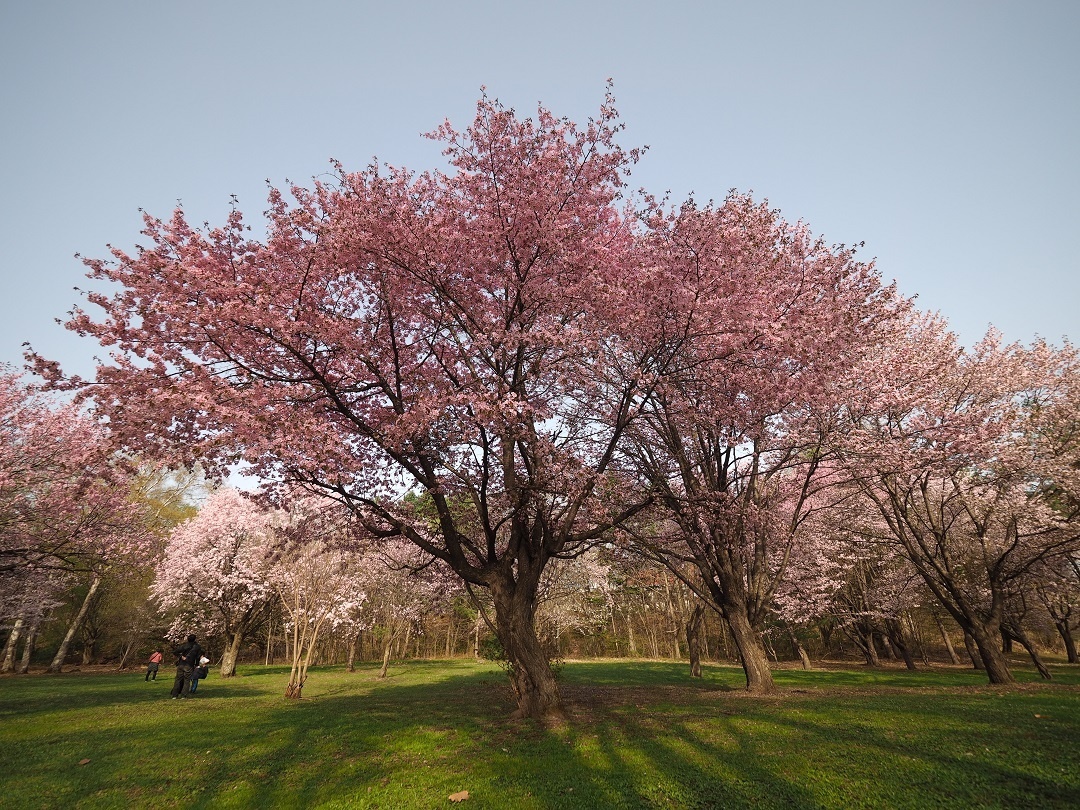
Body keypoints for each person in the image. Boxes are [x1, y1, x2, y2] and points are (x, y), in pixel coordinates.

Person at [170, 634, 203, 699]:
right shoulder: (197, 647)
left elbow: (175, 651)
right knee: (187, 680)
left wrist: (180, 656)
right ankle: (184, 695)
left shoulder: (184, 645)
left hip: (181, 664)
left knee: (178, 679)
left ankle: (174, 695)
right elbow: (198, 657)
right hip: (189, 664)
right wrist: (196, 665)